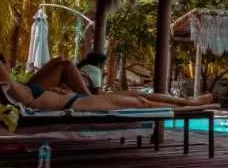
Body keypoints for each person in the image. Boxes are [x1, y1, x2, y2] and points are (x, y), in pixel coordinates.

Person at [0, 58, 217, 112]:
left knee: (136, 93)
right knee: (141, 102)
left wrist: (57, 89)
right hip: (77, 103)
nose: (8, 65)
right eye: (5, 64)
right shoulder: (14, 90)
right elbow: (6, 78)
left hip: (78, 98)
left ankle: (189, 101)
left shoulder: (22, 88)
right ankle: (192, 108)